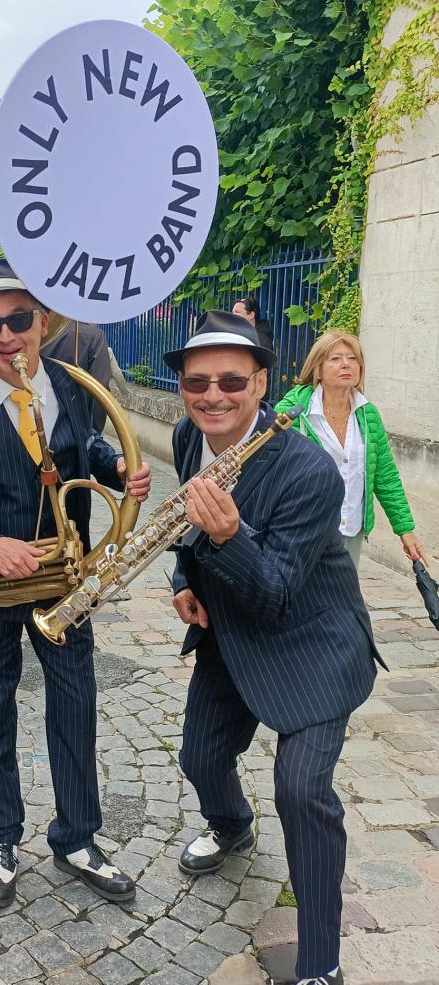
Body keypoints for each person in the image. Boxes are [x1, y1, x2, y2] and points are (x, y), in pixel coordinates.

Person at [0, 259, 151, 909]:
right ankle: (0, 840)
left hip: (63, 581)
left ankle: (77, 837)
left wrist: (117, 471)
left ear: (42, 321)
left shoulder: (73, 390)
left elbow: (86, 448)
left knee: (74, 704)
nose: (6, 334)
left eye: (19, 318)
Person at [166, 310, 380, 985]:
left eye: (232, 379)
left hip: (313, 645)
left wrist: (230, 539)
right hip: (230, 634)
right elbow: (185, 529)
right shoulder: (185, 434)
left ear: (263, 384)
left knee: (301, 791)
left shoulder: (311, 472)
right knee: (198, 757)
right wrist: (183, 579)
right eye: (197, 381)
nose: (213, 395)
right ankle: (231, 824)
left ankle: (320, 961)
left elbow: (278, 592)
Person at [275, 329, 427, 568]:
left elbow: (385, 476)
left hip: (351, 530)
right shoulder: (294, 412)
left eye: (352, 358)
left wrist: (405, 530)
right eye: (335, 359)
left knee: (343, 602)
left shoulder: (367, 415)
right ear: (319, 368)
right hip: (303, 530)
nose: (346, 364)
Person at [41, 320, 112, 433]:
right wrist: (93, 433)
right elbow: (101, 390)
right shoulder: (94, 336)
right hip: (79, 424)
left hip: (40, 417)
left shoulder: (40, 330)